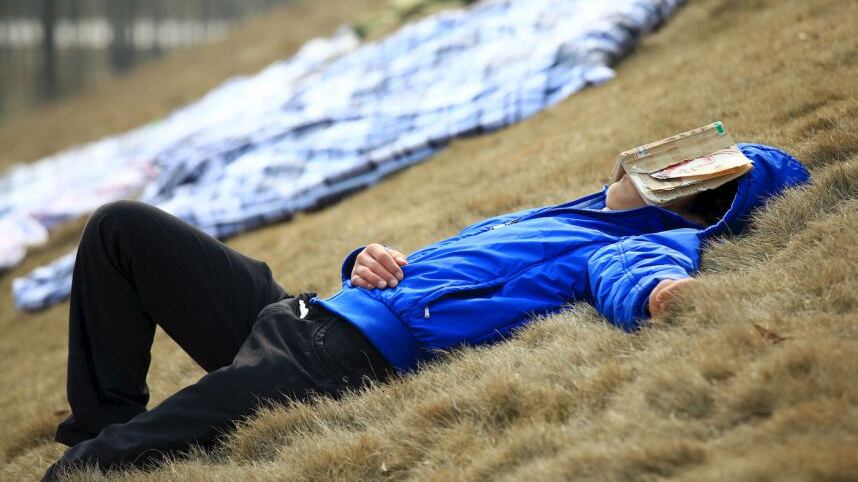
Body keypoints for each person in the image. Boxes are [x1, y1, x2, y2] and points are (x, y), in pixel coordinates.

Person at [43, 143, 810, 480]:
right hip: (304, 311)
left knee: (100, 465)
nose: (661, 159)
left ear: (700, 200)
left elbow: (629, 273)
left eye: (686, 169)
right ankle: (101, 418)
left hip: (333, 359)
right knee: (120, 228)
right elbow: (429, 271)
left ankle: (91, 457)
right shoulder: (573, 211)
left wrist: (660, 296)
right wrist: (366, 259)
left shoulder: (638, 240)